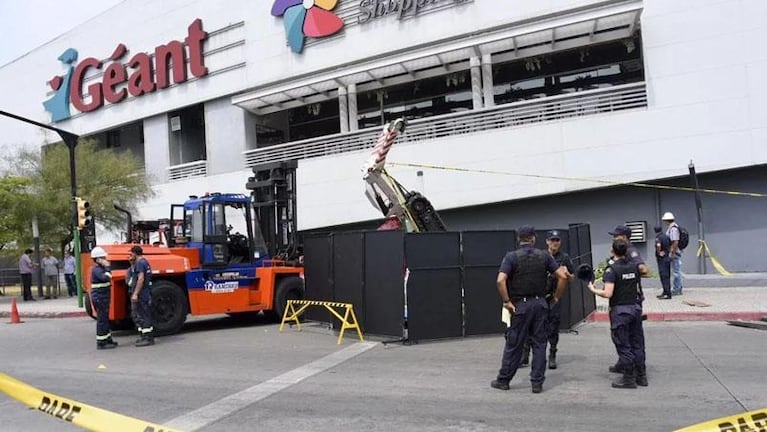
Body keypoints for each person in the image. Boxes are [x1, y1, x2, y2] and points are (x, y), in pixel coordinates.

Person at [491, 225, 568, 394]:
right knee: (540, 344)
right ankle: (537, 383)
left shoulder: (511, 257)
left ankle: (503, 380)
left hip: (521, 305)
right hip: (540, 304)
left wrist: (506, 301)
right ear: (533, 238)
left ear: (519, 239)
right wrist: (556, 297)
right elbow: (562, 276)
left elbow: (500, 280)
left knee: (514, 343)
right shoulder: (544, 256)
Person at [587, 239, 647, 389]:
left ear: (613, 251)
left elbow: (608, 293)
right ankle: (642, 376)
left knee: (623, 344)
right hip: (635, 308)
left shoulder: (611, 270)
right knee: (637, 343)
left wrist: (593, 290)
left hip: (620, 311)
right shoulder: (634, 267)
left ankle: (628, 378)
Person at [520, 230, 574, 370]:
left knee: (553, 326)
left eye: (557, 240)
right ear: (547, 241)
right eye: (552, 240)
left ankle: (552, 354)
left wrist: (567, 274)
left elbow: (572, 278)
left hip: (553, 297)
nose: (555, 243)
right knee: (531, 326)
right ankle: (525, 355)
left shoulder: (564, 257)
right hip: (539, 296)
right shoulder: (541, 256)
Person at [90, 246, 118, 350]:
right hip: (100, 297)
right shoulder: (97, 270)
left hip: (103, 297)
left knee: (105, 320)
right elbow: (105, 277)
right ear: (98, 259)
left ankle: (107, 339)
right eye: (103, 258)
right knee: (102, 320)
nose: (105, 259)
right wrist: (107, 267)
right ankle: (101, 342)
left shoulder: (100, 268)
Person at [127, 245, 154, 346]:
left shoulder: (140, 264)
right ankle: (145, 335)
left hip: (142, 293)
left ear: (134, 253)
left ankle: (147, 338)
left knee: (143, 314)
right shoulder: (144, 262)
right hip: (145, 292)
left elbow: (141, 279)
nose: (130, 255)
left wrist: (135, 294)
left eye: (131, 254)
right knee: (143, 313)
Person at [662, 212, 683, 295]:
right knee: (676, 271)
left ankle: (677, 289)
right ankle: (678, 288)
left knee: (676, 272)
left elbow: (675, 242)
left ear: (667, 220)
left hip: (675, 252)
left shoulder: (673, 229)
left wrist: (672, 253)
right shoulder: (673, 227)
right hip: (675, 252)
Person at [654, 226, 672, 299]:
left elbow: (658, 245)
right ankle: (666, 291)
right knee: (667, 275)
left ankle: (667, 294)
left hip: (662, 259)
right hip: (667, 258)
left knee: (663, 276)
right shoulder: (666, 236)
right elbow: (671, 245)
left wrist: (659, 252)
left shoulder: (658, 237)